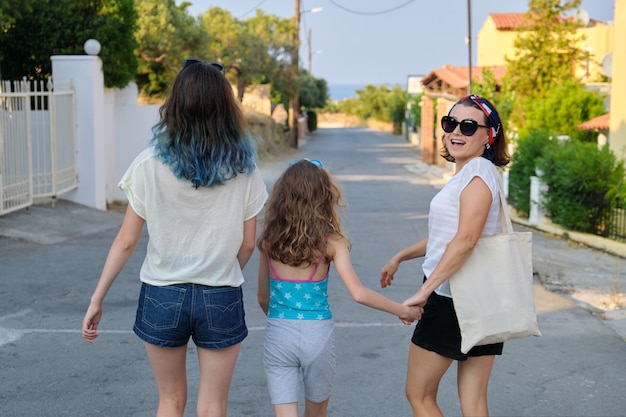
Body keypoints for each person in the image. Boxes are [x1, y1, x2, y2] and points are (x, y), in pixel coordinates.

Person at [81, 58, 268, 417]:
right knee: (213, 405)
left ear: (176, 103)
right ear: (225, 107)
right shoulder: (245, 168)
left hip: (162, 294)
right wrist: (222, 271)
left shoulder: (148, 164)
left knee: (170, 400)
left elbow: (126, 241)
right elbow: (247, 244)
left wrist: (96, 298)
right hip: (220, 294)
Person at [257, 159, 423, 417]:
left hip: (279, 332)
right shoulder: (332, 242)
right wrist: (402, 310)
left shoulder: (268, 241)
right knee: (316, 411)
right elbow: (358, 293)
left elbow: (262, 297)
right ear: (324, 196)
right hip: (317, 335)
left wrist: (285, 321)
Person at [380, 95, 511, 417]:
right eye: (450, 123)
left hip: (451, 296)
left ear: (489, 136)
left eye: (468, 126)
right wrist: (401, 255)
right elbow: (449, 237)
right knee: (474, 401)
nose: (457, 131)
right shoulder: (478, 173)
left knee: (419, 395)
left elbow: (465, 241)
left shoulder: (477, 175)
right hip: (483, 296)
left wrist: (424, 292)